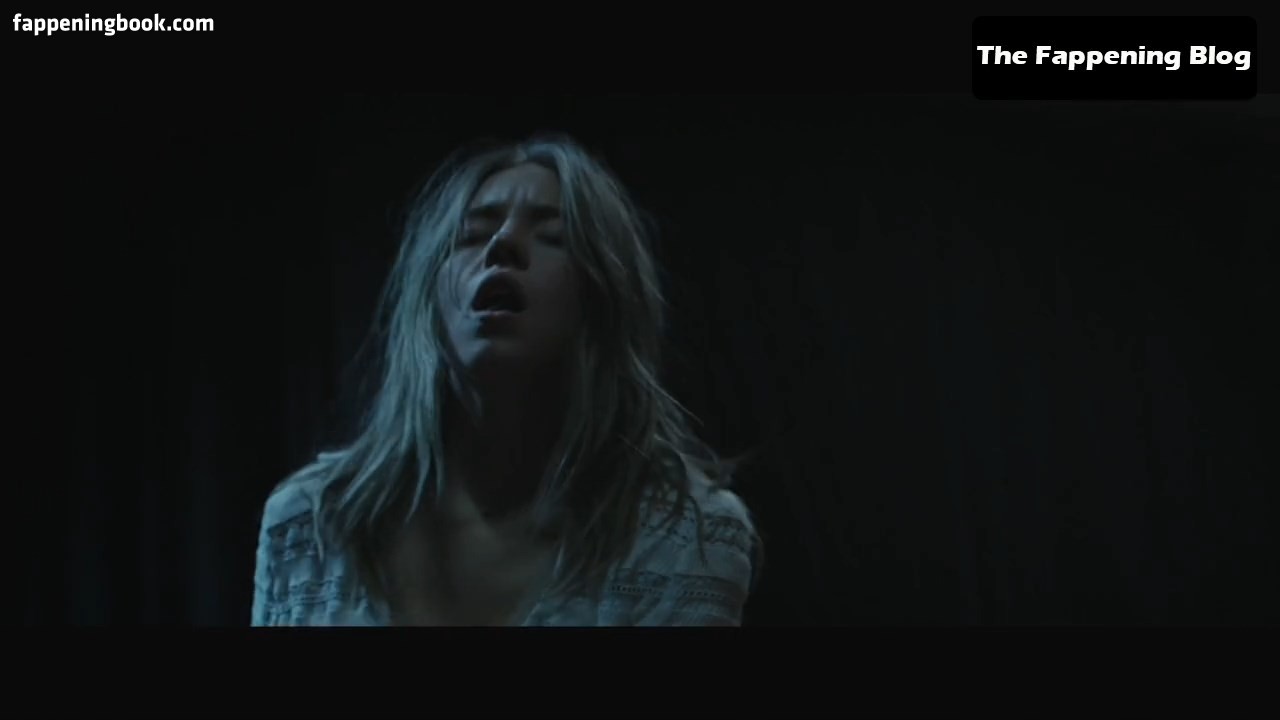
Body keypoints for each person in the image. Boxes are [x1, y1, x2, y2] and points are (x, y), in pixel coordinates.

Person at [250, 133, 760, 626]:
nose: (502, 244)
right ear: (429, 297)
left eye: (553, 237)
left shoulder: (686, 537)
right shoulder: (310, 523)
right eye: (471, 235)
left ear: (604, 300)